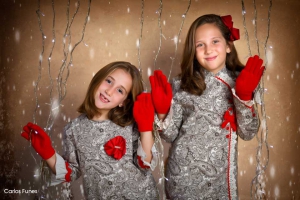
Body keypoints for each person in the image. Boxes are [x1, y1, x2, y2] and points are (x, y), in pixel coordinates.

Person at [149, 14, 264, 199]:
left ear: (228, 45)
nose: (208, 49)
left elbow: (248, 133)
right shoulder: (181, 85)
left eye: (215, 41)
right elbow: (169, 135)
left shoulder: (241, 81)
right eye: (200, 44)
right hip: (182, 177)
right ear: (193, 51)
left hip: (220, 179)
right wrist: (163, 112)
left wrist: (243, 96)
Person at [21, 61, 159, 199]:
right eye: (109, 81)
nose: (109, 91)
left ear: (124, 102)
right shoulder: (73, 130)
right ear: (98, 79)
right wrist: (48, 154)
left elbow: (145, 164)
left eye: (120, 90)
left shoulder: (130, 124)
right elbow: (71, 173)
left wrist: (145, 128)